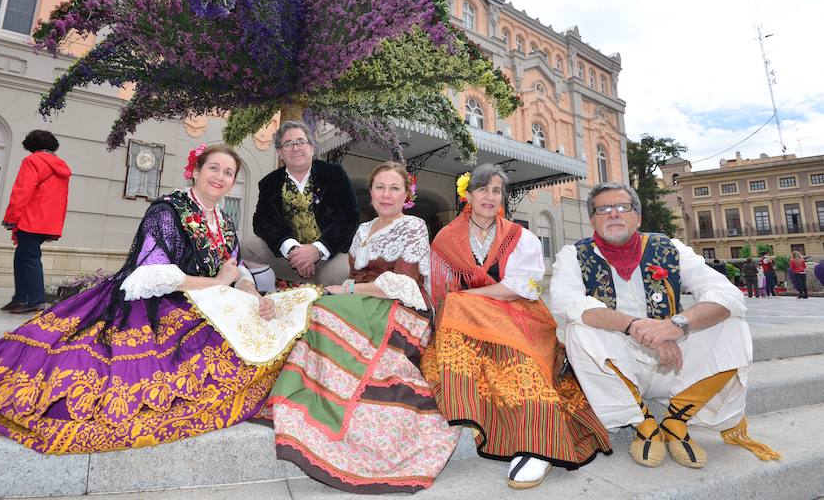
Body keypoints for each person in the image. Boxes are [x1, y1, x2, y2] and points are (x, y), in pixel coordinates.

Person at [0, 143, 281, 453]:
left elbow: (234, 269)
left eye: (228, 173)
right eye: (214, 168)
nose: (220, 177)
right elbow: (150, 276)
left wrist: (252, 294)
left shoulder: (223, 221)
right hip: (156, 302)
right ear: (195, 171)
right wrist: (216, 283)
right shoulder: (167, 212)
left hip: (206, 299)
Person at [549, 182, 779, 471]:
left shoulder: (670, 248)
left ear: (638, 217)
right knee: (579, 325)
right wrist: (635, 326)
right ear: (592, 219)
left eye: (623, 207)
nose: (613, 214)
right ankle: (643, 421)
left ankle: (676, 419)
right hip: (617, 368)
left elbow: (727, 294)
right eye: (603, 209)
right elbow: (565, 301)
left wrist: (677, 326)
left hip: (674, 363)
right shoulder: (574, 254)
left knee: (731, 320)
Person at [267, 162, 459, 493]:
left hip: (401, 306)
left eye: (394, 188)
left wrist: (348, 291)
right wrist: (344, 289)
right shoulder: (363, 229)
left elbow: (403, 281)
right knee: (313, 307)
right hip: (364, 300)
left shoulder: (412, 226)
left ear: (406, 195)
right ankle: (318, 395)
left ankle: (332, 402)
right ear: (371, 193)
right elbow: (355, 275)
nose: (386, 194)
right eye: (380, 187)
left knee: (326, 310)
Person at [421, 164, 612, 490]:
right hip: (466, 320)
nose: (489, 196)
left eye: (496, 191)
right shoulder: (446, 238)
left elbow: (517, 288)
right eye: (482, 189)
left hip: (518, 313)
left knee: (493, 334)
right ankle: (468, 402)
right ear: (467, 194)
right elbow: (437, 291)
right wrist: (460, 304)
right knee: (452, 312)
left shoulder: (519, 236)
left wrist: (468, 297)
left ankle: (540, 435)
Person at [241, 121, 359, 286]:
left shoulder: (334, 174)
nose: (295, 148)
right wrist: (292, 248)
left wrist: (317, 250)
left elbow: (349, 218)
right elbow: (262, 222)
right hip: (288, 259)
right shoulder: (269, 183)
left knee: (345, 272)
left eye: (301, 142)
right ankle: (267, 293)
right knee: (247, 247)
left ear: (311, 147)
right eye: (288, 144)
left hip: (328, 257)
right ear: (280, 152)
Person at [0, 130, 72, 314]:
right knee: (23, 256)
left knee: (30, 258)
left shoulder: (32, 161)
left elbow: (22, 191)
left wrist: (11, 217)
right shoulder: (60, 165)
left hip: (31, 218)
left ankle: (35, 300)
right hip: (48, 220)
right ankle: (20, 298)